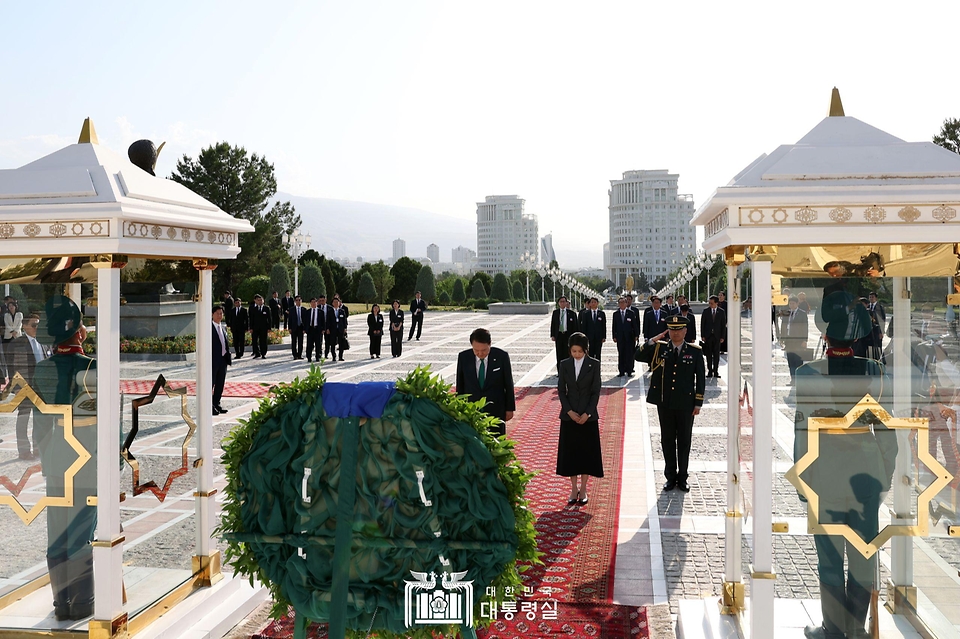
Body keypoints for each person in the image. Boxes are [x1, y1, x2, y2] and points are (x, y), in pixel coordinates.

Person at [796, 289, 897, 639]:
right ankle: (855, 628)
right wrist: (884, 476)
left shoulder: (808, 374)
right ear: (856, 337)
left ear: (825, 335)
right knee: (863, 556)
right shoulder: (873, 369)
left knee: (829, 558)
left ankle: (833, 629)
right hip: (865, 477)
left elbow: (801, 432)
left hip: (824, 476)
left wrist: (802, 481)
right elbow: (886, 429)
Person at [32, 295, 97, 620]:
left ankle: (61, 604)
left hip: (57, 467)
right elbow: (109, 427)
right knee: (83, 534)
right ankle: (83, 603)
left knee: (56, 534)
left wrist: (49, 458)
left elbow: (39, 428)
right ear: (80, 333)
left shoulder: (42, 369)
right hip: (87, 466)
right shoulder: (92, 368)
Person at [635, 317, 705, 492]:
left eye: (679, 329)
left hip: (685, 404)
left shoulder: (695, 352)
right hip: (665, 402)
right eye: (672, 330)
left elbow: (701, 380)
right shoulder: (660, 348)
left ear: (685, 331)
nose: (675, 333)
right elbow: (637, 355)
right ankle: (670, 476)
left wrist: (698, 403)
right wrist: (652, 340)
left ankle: (683, 477)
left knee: (684, 441)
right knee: (667, 440)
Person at [556, 332, 603, 506]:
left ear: (586, 350)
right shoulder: (565, 364)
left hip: (587, 418)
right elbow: (561, 390)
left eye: (579, 351)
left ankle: (583, 488)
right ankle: (573, 488)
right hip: (569, 417)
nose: (576, 354)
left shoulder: (594, 364)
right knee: (571, 455)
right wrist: (568, 411)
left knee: (586, 455)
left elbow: (595, 391)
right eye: (573, 351)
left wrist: (587, 413)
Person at [455, 328, 515, 437]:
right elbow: (460, 385)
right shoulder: (464, 357)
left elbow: (508, 384)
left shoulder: (501, 357)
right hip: (472, 409)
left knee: (496, 440)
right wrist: (459, 408)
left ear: (490, 344)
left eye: (483, 350)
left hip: (495, 409)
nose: (480, 353)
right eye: (476, 350)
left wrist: (510, 408)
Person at [6, 313, 46, 460]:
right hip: (25, 388)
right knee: (23, 419)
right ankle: (23, 451)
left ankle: (37, 448)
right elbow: (11, 367)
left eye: (39, 325)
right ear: (25, 326)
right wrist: (15, 387)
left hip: (41, 388)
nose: (37, 328)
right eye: (34, 325)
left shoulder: (44, 342)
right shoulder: (17, 343)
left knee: (40, 420)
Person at [781, 295, 809, 384]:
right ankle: (793, 379)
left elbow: (805, 327)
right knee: (790, 360)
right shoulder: (786, 313)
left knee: (798, 360)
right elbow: (783, 326)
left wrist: (804, 340)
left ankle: (799, 379)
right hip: (789, 341)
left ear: (797, 304)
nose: (791, 305)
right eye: (790, 303)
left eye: (793, 303)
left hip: (798, 340)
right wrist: (782, 338)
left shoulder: (802, 314)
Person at [211, 305, 231, 415]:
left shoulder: (222, 328)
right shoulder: (209, 328)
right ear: (212, 314)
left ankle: (216, 403)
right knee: (211, 384)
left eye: (221, 313)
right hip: (213, 361)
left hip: (223, 360)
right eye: (218, 313)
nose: (220, 315)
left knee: (220, 384)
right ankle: (210, 405)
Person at [550, 296, 579, 370]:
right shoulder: (555, 313)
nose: (562, 303)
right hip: (559, 335)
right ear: (558, 303)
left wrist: (575, 337)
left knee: (568, 353)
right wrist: (553, 335)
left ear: (566, 303)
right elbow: (553, 324)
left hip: (568, 336)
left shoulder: (571, 313)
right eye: (561, 302)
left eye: (564, 301)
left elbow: (575, 326)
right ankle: (560, 371)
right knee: (559, 353)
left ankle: (569, 370)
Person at [700, 295, 726, 378]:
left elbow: (723, 325)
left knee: (716, 355)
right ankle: (710, 371)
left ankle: (716, 371)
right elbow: (702, 324)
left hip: (717, 336)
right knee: (708, 355)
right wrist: (703, 335)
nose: (710, 304)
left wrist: (722, 336)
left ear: (716, 303)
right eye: (709, 303)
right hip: (708, 336)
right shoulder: (706, 311)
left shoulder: (721, 312)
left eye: (711, 303)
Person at [612, 297, 639, 377]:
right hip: (620, 337)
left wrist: (636, 335)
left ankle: (629, 370)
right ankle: (621, 371)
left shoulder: (631, 313)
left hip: (630, 337)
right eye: (620, 302)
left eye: (623, 302)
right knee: (621, 354)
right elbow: (614, 326)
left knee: (629, 354)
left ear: (626, 303)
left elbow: (634, 325)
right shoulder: (615, 314)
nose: (622, 304)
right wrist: (614, 336)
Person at [325, 295, 348, 361]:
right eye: (334, 302)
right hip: (333, 329)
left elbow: (344, 321)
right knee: (332, 343)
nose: (336, 303)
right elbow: (328, 321)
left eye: (337, 302)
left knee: (341, 343)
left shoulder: (342, 311)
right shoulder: (330, 311)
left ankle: (340, 356)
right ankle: (334, 356)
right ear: (332, 303)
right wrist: (328, 329)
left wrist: (345, 328)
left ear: (339, 303)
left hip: (340, 329)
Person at [249, 294, 271, 359]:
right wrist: (251, 328)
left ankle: (263, 353)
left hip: (264, 328)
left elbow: (269, 319)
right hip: (255, 328)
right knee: (254, 341)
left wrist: (269, 327)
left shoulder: (266, 308)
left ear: (263, 301)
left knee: (263, 341)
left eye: (261, 300)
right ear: (256, 301)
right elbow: (251, 319)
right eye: (258, 300)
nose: (260, 301)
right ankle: (257, 353)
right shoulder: (254, 309)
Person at [865, 291, 886, 361]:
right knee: (870, 345)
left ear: (876, 298)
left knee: (878, 345)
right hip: (870, 331)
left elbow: (882, 321)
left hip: (877, 330)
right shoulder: (867, 306)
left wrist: (881, 332)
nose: (871, 298)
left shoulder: (880, 308)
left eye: (872, 297)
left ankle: (880, 359)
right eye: (870, 297)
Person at [305, 298, 326, 362]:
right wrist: (305, 329)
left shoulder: (321, 312)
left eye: (315, 302)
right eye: (312, 302)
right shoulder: (308, 312)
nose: (313, 303)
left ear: (317, 303)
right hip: (310, 329)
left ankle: (317, 356)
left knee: (318, 344)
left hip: (318, 330)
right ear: (310, 303)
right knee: (309, 344)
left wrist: (323, 329)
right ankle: (309, 357)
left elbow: (323, 321)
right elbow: (305, 321)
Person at [288, 295, 305, 359]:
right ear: (295, 301)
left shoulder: (304, 309)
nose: (298, 301)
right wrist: (289, 328)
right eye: (297, 300)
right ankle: (295, 355)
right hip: (294, 328)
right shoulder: (292, 309)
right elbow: (290, 320)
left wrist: (305, 329)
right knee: (294, 342)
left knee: (300, 342)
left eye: (299, 300)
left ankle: (299, 355)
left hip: (301, 327)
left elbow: (305, 320)